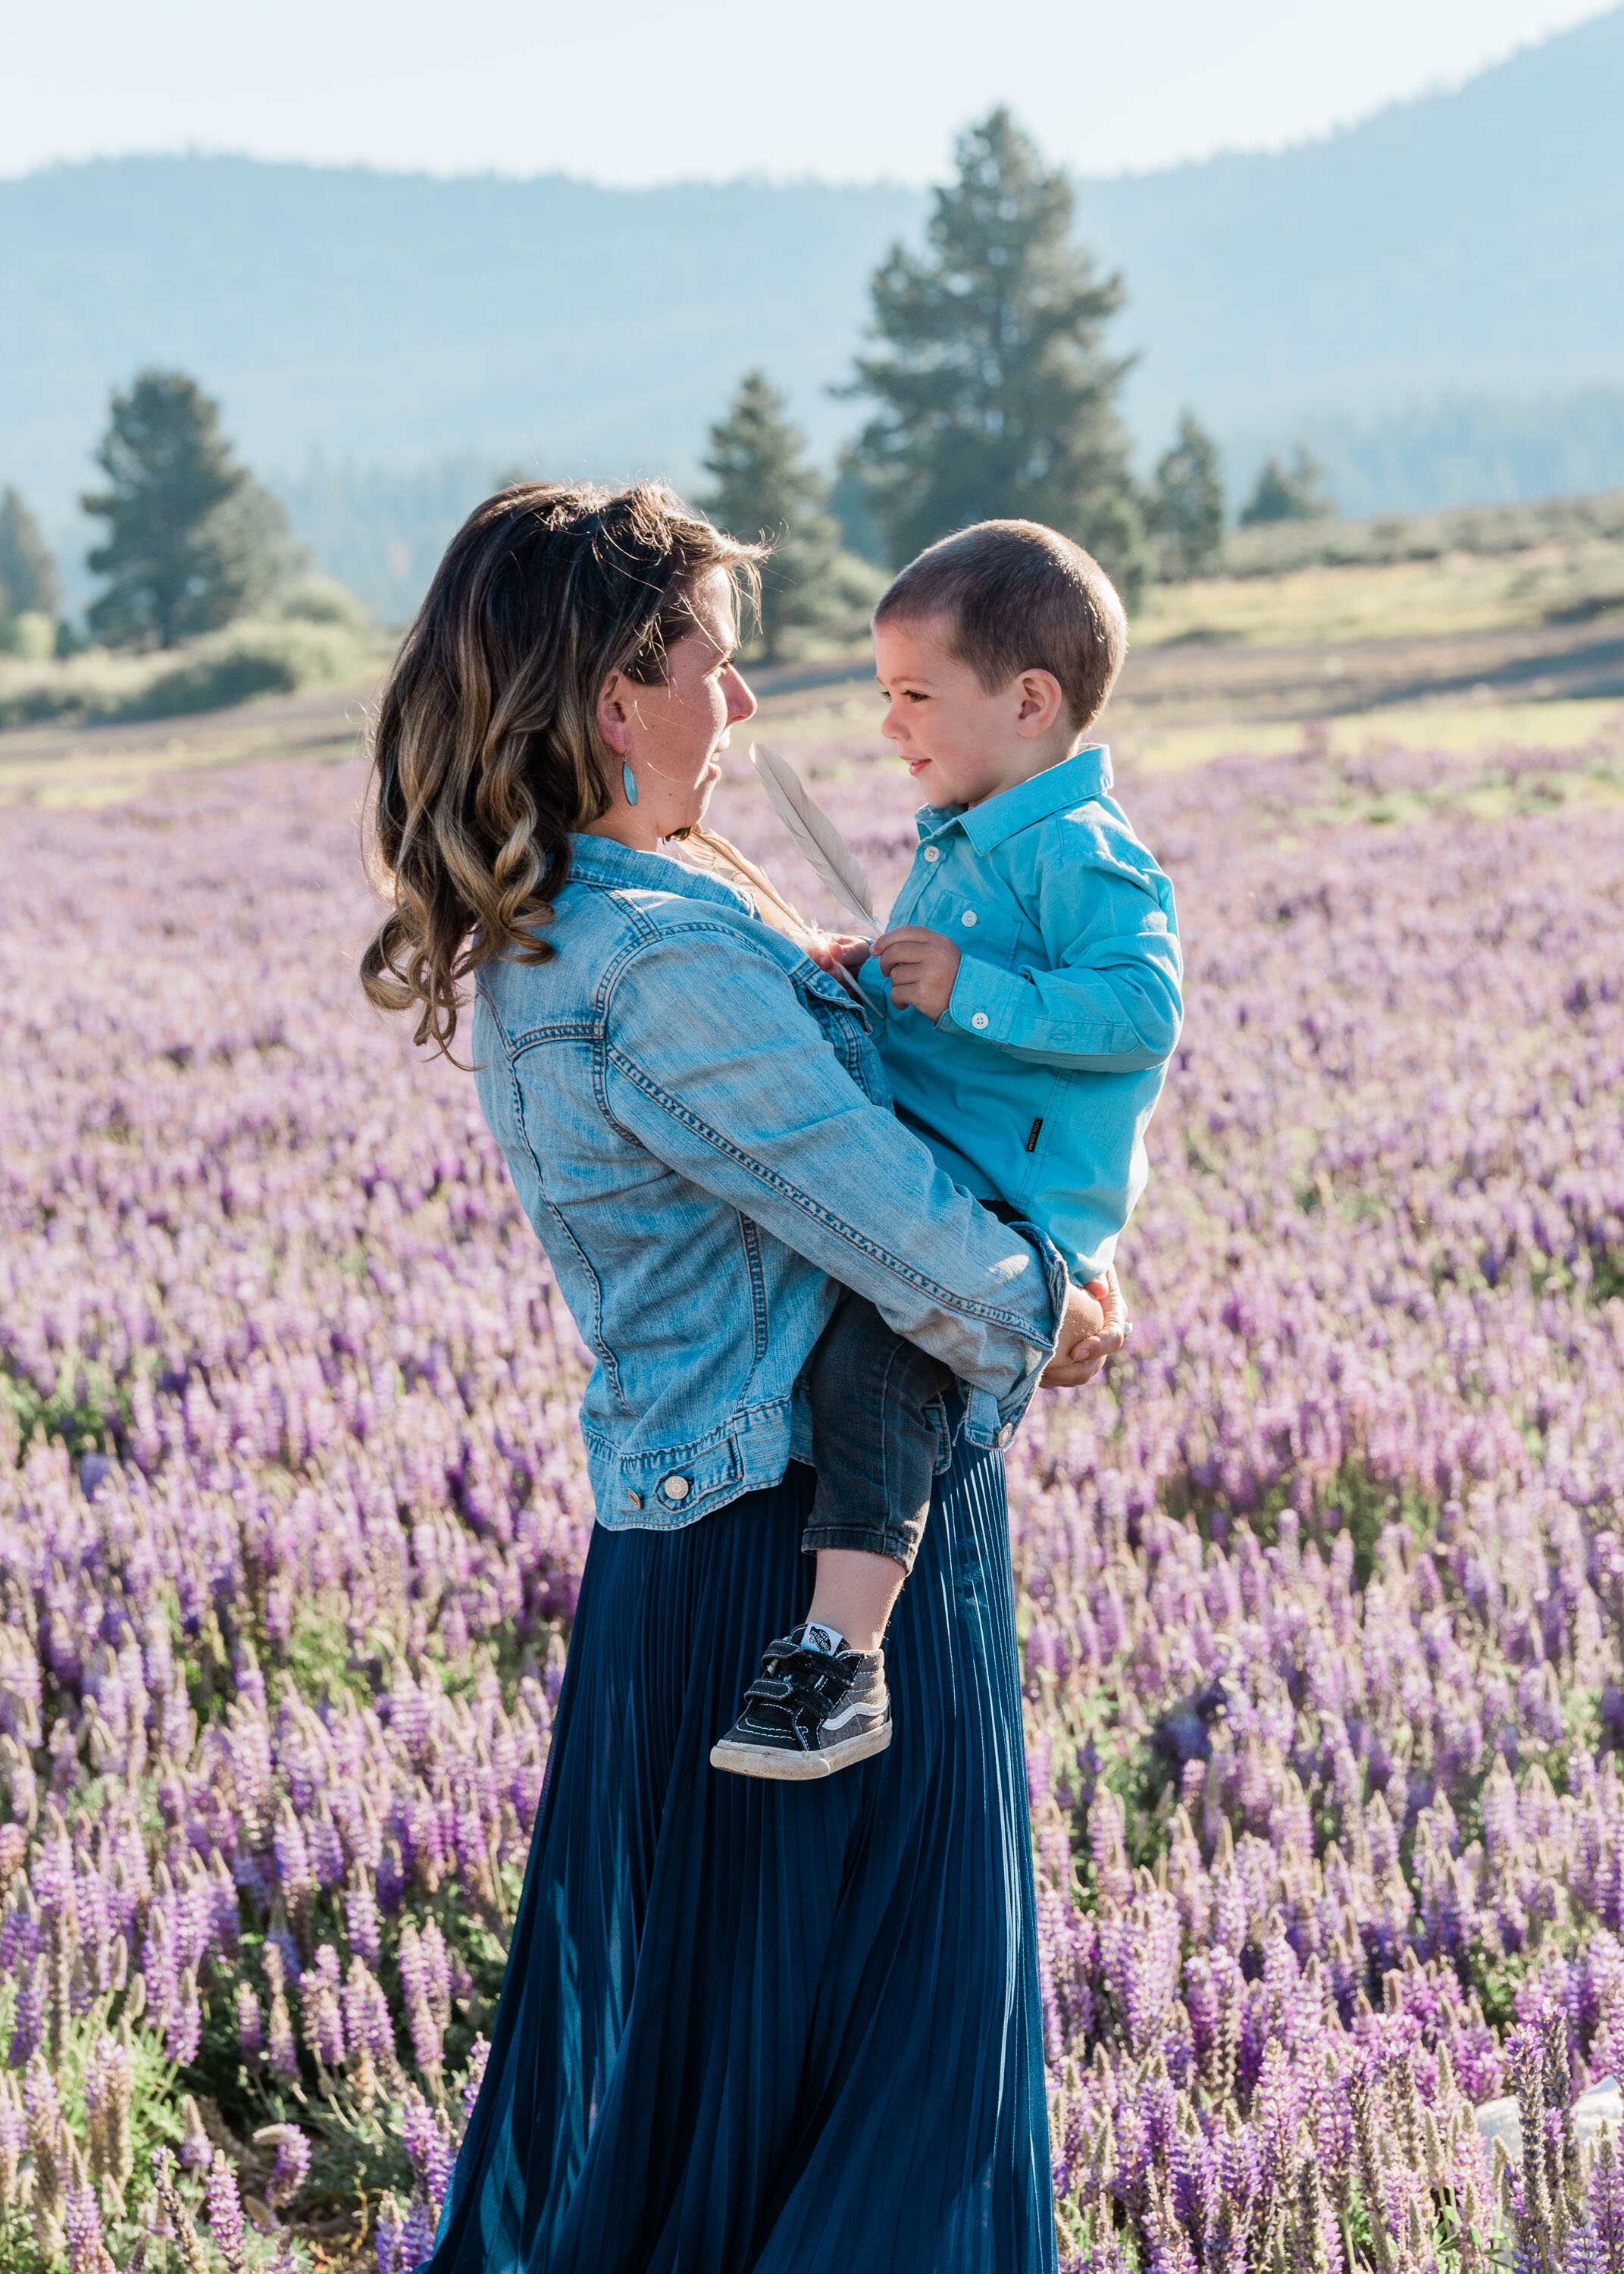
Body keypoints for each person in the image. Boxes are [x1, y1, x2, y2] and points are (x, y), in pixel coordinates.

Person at [360, 478, 1125, 2274]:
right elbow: (922, 1255)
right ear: (620, 699)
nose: (750, 703)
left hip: (734, 1546)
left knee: (700, 2090)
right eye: (719, 660)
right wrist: (1066, 1299)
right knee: (848, 2095)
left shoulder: (631, 913)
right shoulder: (656, 960)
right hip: (792, 1563)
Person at [713, 521, 1180, 1781]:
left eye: (915, 696)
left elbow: (1143, 1013)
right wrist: (875, 983)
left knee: (878, 1364)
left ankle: (840, 1658)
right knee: (847, 1359)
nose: (891, 727)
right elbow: (947, 1026)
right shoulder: (969, 836)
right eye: (884, 697)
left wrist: (967, 989)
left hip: (1006, 1193)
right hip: (953, 1177)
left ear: (1029, 702)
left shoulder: (1081, 851)